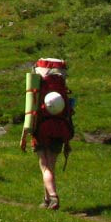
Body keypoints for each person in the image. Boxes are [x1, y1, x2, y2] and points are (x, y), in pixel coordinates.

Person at [31, 62, 74, 209]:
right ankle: (46, 199)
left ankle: (53, 197)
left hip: (42, 129)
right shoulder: (61, 90)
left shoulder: (41, 89)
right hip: (60, 129)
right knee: (51, 166)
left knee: (45, 166)